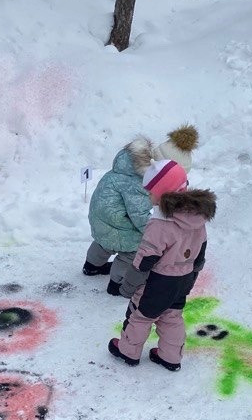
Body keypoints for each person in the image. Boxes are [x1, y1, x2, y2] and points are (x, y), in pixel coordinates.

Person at [109, 161, 216, 372]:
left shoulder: (160, 223)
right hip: (183, 278)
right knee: (171, 315)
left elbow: (145, 258)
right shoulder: (197, 217)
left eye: (151, 192)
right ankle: (170, 356)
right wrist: (192, 276)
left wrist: (129, 284)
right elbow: (201, 250)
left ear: (163, 193)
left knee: (140, 315)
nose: (149, 196)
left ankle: (128, 351)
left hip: (158, 281)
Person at [84, 126, 198, 297]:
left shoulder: (129, 165)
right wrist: (157, 236)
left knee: (104, 241)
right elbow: (141, 217)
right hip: (115, 222)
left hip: (101, 217)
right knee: (134, 248)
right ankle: (118, 282)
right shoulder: (139, 182)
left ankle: (92, 265)